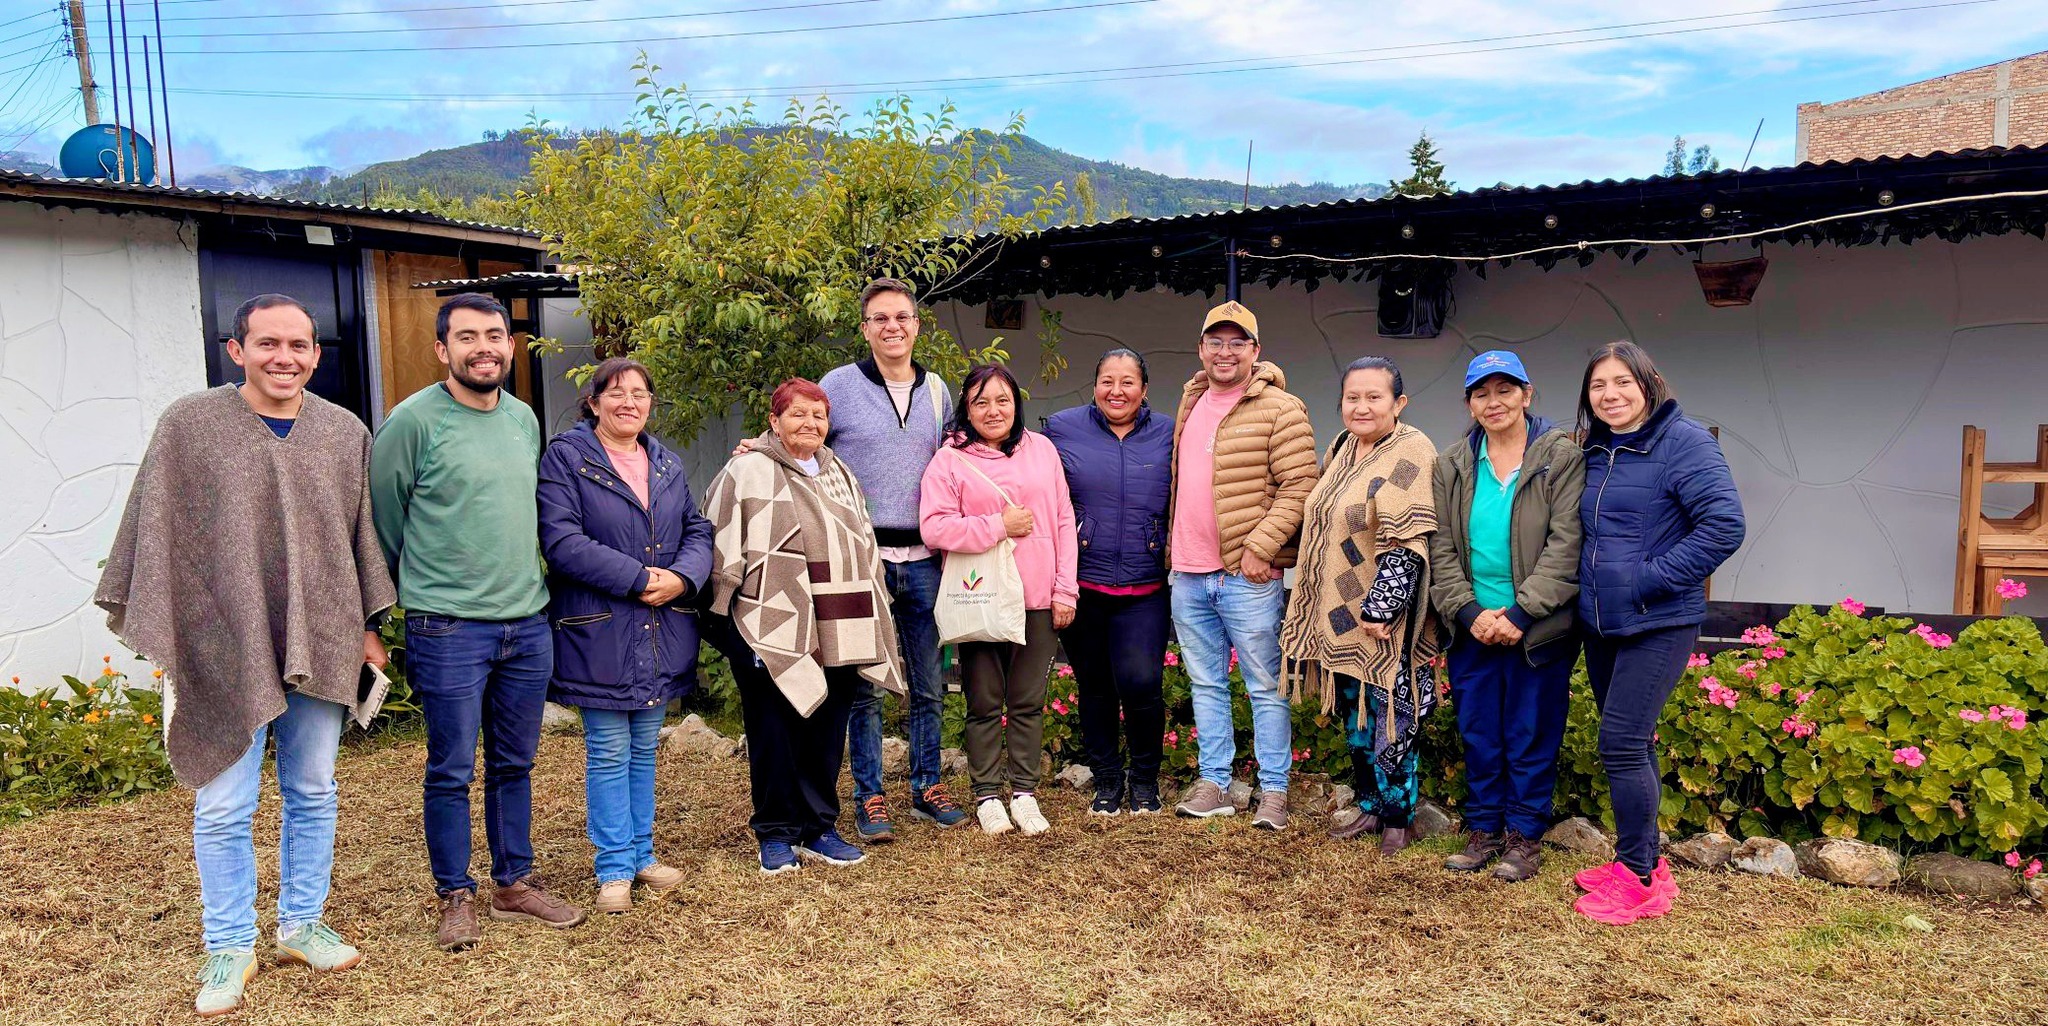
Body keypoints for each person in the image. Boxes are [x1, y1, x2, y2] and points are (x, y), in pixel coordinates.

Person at [95, 294, 396, 1016]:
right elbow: (160, 532)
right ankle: (229, 945)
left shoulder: (343, 431)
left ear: (317, 355)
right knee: (226, 803)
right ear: (236, 350)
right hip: (222, 639)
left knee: (315, 787)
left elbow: (356, 540)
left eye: (298, 345)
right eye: (267, 344)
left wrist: (365, 626)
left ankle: (301, 925)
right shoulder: (189, 426)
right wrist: (174, 623)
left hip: (322, 632)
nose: (284, 358)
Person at [371, 292, 585, 949]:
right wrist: (386, 612)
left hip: (526, 621)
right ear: (442, 350)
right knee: (451, 767)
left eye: (494, 334)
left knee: (515, 763)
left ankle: (513, 883)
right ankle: (454, 894)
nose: (483, 347)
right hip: (449, 628)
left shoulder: (523, 419)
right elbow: (385, 521)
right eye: (467, 337)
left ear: (510, 345)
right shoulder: (411, 424)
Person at [1570, 340, 1744, 925]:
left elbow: (1724, 526)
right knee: (1632, 742)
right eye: (1599, 385)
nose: (1610, 395)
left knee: (1620, 742)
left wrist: (1648, 582)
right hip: (1601, 623)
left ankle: (1640, 877)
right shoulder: (1595, 449)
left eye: (1623, 382)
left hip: (1658, 618)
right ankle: (1636, 860)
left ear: (1649, 382)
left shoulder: (1684, 442)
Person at [703, 378, 908, 874]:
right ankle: (775, 833)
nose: (810, 424)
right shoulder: (747, 470)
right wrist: (728, 621)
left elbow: (862, 545)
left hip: (842, 622)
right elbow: (718, 537)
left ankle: (819, 827)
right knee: (774, 729)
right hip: (772, 623)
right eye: (797, 414)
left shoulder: (841, 473)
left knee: (826, 729)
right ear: (774, 421)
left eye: (818, 416)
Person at [537, 357, 714, 913]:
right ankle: (613, 865)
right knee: (609, 751)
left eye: (640, 393)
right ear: (593, 402)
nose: (629, 403)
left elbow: (697, 528)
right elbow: (560, 539)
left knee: (643, 749)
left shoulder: (664, 462)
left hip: (661, 624)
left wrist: (683, 577)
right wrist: (638, 579)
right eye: (616, 393)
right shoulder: (568, 458)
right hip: (601, 628)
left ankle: (642, 854)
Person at [1427, 350, 1585, 882]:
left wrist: (1519, 612)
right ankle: (1484, 829)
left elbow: (1566, 546)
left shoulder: (1559, 458)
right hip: (1473, 625)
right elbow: (1441, 547)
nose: (1493, 402)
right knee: (1480, 731)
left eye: (1504, 390)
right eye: (1481, 393)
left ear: (1527, 393)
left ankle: (1524, 836)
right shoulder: (1452, 465)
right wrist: (1469, 611)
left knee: (1530, 731)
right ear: (1470, 404)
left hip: (1536, 627)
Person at [817, 279, 967, 837]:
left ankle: (927, 784)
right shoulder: (839, 385)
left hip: (926, 558)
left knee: (928, 681)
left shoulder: (938, 393)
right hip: (863, 557)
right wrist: (759, 448)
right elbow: (804, 442)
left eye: (902, 317)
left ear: (916, 324)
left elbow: (958, 459)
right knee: (865, 687)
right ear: (865, 328)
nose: (892, 327)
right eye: (879, 319)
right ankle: (870, 795)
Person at [1167, 300, 1320, 830]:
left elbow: (1301, 484)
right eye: (1216, 341)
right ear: (1201, 348)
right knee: (1206, 683)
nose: (1225, 351)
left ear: (1255, 352)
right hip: (1188, 572)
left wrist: (1261, 545)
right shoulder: (1190, 400)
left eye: (1237, 342)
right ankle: (1216, 782)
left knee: (1262, 684)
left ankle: (1274, 790)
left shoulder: (1282, 408)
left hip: (1247, 575)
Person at [1279, 357, 1442, 853]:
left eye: (1375, 396)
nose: (1362, 406)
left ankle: (1400, 817)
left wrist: (1383, 606)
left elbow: (1409, 536)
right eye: (1353, 397)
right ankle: (1371, 808)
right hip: (1342, 616)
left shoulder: (1411, 450)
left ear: (1399, 402)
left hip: (1382, 620)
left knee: (1392, 715)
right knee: (1358, 719)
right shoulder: (1342, 447)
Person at [919, 364, 1080, 835]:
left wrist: (1063, 589)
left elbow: (1063, 520)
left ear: (1017, 404)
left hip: (1037, 597)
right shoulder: (950, 460)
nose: (993, 411)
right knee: (984, 701)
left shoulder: (1043, 450)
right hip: (981, 597)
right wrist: (996, 527)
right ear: (966, 409)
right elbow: (935, 528)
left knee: (1029, 701)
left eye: (1003, 400)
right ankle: (988, 793)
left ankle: (1025, 793)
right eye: (981, 402)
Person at [1044, 348, 1175, 815]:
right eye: (1106, 381)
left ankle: (1144, 781)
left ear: (1144, 389)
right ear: (1094, 384)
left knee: (1142, 683)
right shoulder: (1060, 428)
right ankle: (1106, 781)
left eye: (1127, 382)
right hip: (1084, 584)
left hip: (1146, 584)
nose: (1116, 391)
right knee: (1095, 686)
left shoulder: (1168, 433)